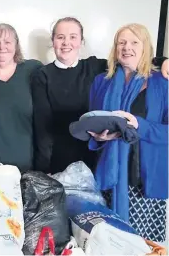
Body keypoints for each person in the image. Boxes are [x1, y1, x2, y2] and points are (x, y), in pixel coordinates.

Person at [32, 17, 168, 175]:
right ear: (53, 40)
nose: (66, 42)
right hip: (61, 159)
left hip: (96, 159)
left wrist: (163, 61)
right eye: (60, 37)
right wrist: (43, 169)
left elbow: (133, 58)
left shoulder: (96, 67)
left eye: (73, 37)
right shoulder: (42, 75)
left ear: (81, 42)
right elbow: (42, 128)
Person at [88, 23, 168, 242]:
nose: (127, 47)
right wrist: (99, 136)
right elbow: (93, 121)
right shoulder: (101, 82)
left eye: (134, 42)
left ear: (145, 48)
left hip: (145, 180)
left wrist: (138, 125)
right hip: (108, 177)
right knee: (108, 243)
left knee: (142, 245)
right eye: (121, 42)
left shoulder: (162, 83)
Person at [0, 23, 43, 172]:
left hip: (29, 167)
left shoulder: (33, 70)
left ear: (16, 46)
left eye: (7, 42)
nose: (2, 47)